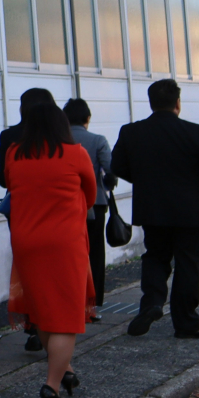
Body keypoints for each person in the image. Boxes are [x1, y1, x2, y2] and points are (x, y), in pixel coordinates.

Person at [111, 78, 199, 339]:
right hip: (189, 212)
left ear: (151, 103)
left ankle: (153, 304)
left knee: (156, 257)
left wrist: (145, 179)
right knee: (188, 266)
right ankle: (186, 323)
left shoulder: (131, 132)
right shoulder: (194, 132)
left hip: (152, 210)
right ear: (178, 103)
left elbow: (117, 166)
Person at [2, 88, 97, 398]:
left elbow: (11, 185)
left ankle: (65, 370)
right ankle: (51, 385)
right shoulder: (76, 153)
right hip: (65, 242)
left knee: (42, 309)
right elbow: (91, 191)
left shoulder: (14, 153)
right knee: (67, 317)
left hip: (27, 241)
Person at [63, 98, 117, 318]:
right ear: (87, 119)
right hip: (95, 206)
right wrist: (107, 185)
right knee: (93, 254)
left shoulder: (59, 141)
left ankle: (69, 302)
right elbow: (110, 170)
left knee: (69, 257)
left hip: (65, 208)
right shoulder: (97, 140)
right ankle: (91, 306)